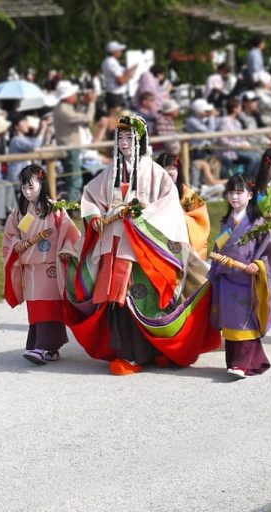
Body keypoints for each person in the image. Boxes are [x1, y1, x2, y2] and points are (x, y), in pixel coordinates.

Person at [64, 114, 220, 375]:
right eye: (120, 138)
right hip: (115, 246)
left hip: (144, 248)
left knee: (149, 298)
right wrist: (94, 217)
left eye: (129, 138)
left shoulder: (155, 172)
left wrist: (141, 219)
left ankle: (158, 350)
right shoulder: (110, 172)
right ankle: (129, 354)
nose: (124, 143)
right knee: (119, 300)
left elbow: (168, 206)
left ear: (140, 140)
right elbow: (90, 196)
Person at [207, 174, 271, 379]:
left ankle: (243, 363)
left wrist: (258, 266)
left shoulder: (258, 222)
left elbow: (270, 251)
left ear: (250, 195)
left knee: (245, 321)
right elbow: (219, 247)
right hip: (227, 279)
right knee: (231, 319)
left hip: (246, 280)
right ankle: (236, 361)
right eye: (231, 193)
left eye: (239, 193)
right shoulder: (227, 222)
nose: (234, 197)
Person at [3, 165, 81, 364]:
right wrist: (16, 244)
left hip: (49, 267)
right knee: (35, 307)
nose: (27, 192)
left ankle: (43, 347)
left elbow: (70, 233)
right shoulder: (19, 213)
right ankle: (46, 347)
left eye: (31, 187)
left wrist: (66, 250)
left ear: (41, 183)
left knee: (49, 305)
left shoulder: (55, 209)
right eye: (23, 188)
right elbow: (10, 235)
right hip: (29, 266)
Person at [155, 153, 210, 259]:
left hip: (182, 243)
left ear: (178, 172)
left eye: (170, 175)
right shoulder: (151, 192)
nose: (167, 179)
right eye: (163, 175)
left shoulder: (187, 195)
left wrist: (179, 218)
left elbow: (201, 221)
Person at [52, 81, 96, 207]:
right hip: (70, 149)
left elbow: (80, 118)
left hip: (71, 148)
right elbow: (87, 119)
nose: (76, 95)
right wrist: (91, 103)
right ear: (67, 96)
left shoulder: (64, 108)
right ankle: (72, 208)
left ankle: (73, 207)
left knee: (73, 179)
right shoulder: (64, 110)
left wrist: (84, 103)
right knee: (74, 181)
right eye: (73, 93)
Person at [101, 41, 137, 110]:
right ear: (115, 52)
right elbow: (121, 81)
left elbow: (121, 73)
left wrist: (129, 70)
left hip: (112, 94)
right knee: (117, 118)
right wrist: (129, 76)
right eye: (119, 50)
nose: (121, 52)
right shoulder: (112, 63)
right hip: (115, 95)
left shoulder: (107, 61)